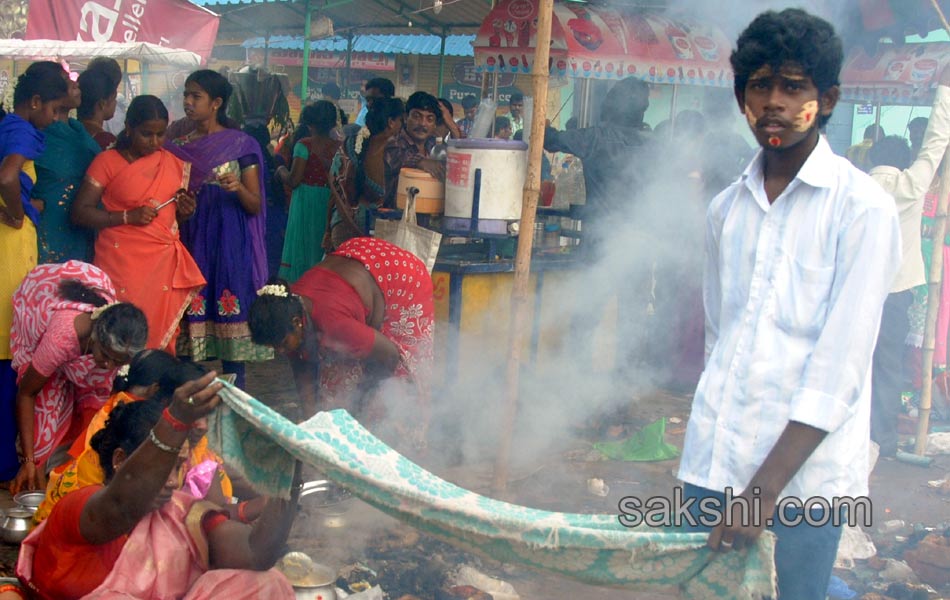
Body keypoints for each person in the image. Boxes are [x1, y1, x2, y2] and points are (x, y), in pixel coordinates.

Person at [677, 10, 901, 600]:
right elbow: (722, 340)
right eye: (759, 85)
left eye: (793, 86)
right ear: (740, 96)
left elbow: (840, 368)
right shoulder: (726, 209)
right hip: (713, 467)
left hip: (801, 486)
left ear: (825, 99)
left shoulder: (862, 209)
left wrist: (763, 491)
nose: (774, 102)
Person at [17, 371, 298, 599]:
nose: (174, 481)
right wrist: (174, 422)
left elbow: (255, 553)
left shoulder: (181, 513)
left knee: (266, 582)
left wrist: (288, 479)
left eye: (179, 467)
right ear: (119, 460)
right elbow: (121, 506)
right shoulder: (81, 508)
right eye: (165, 468)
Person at [249, 237, 434, 445]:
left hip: (402, 279)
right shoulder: (289, 311)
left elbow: (390, 355)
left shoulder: (334, 325)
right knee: (337, 391)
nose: (280, 351)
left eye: (281, 345)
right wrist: (313, 428)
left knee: (392, 394)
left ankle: (408, 449)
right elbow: (303, 373)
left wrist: (366, 400)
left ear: (297, 322)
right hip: (358, 263)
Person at [71, 94, 206, 353]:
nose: (154, 142)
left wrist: (186, 211)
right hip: (120, 262)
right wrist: (126, 217)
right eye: (146, 134)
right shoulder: (107, 162)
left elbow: (172, 219)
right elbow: (80, 212)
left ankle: (153, 387)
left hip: (160, 264)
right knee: (118, 332)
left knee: (159, 334)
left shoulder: (172, 164)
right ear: (129, 128)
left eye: (160, 134)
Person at [165, 69, 273, 389]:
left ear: (216, 103)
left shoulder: (242, 145)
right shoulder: (177, 148)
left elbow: (254, 204)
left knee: (232, 344)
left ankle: (235, 404)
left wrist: (237, 187)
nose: (188, 102)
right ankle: (183, 403)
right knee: (186, 336)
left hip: (229, 245)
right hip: (192, 240)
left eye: (195, 96)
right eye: (186, 95)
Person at [868, 65, 950, 457]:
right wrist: (945, 92)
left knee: (853, 367)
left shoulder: (854, 188)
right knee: (888, 369)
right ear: (904, 160)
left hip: (857, 293)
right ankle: (881, 441)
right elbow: (936, 142)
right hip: (897, 293)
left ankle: (846, 438)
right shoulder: (912, 184)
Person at [10, 261, 149, 494]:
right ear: (95, 337)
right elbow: (27, 393)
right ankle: (41, 478)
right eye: (106, 357)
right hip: (40, 296)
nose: (110, 366)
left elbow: (96, 411)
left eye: (119, 363)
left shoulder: (120, 342)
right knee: (46, 413)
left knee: (96, 400)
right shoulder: (61, 338)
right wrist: (29, 462)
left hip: (91, 288)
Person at [0, 62, 69, 485]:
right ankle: (8, 465)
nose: (57, 120)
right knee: (8, 352)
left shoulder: (7, 125)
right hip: (8, 248)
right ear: (37, 102)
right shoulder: (22, 129)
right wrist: (14, 211)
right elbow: (8, 176)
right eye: (57, 110)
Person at [32, 66, 103, 265]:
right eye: (66, 80)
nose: (75, 83)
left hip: (83, 234)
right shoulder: (35, 135)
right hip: (48, 234)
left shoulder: (77, 130)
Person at [327, 97, 404, 252]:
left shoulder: (351, 145)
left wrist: (328, 231)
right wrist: (360, 235)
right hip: (371, 237)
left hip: (343, 230)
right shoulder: (394, 154)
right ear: (391, 122)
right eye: (401, 120)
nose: (403, 125)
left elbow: (335, 191)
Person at [276, 101, 341, 282]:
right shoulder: (339, 147)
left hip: (305, 202)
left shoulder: (304, 145)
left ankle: (299, 287)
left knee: (301, 246)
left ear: (309, 124)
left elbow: (294, 180)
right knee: (320, 245)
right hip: (329, 202)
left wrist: (280, 170)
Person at [383, 91, 443, 208]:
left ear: (435, 125)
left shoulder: (435, 144)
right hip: (395, 216)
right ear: (405, 118)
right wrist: (419, 162)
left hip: (429, 215)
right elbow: (398, 159)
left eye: (429, 119)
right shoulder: (394, 142)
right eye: (417, 116)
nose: (422, 124)